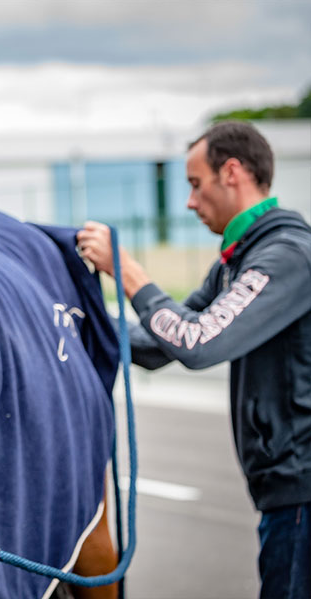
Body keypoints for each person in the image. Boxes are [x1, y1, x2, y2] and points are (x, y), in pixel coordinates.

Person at [76, 120, 311, 598]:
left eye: (195, 185)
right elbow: (157, 344)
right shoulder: (238, 260)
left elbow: (197, 342)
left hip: (302, 491)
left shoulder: (286, 256)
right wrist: (72, 325)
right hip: (285, 492)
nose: (188, 201)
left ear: (232, 173)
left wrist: (127, 272)